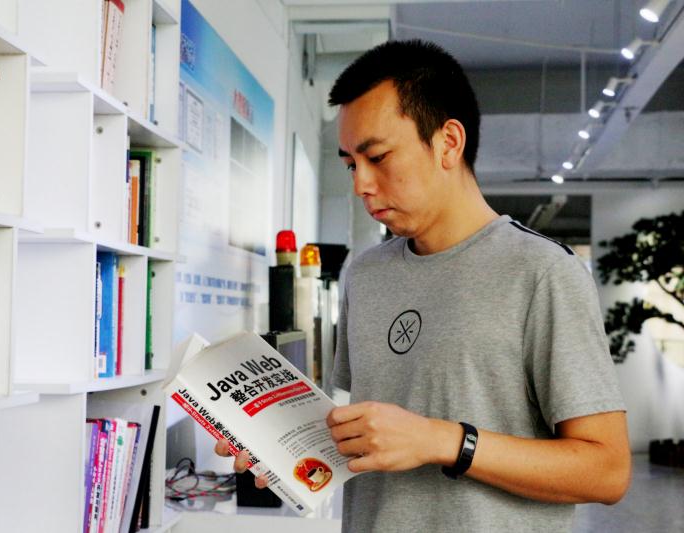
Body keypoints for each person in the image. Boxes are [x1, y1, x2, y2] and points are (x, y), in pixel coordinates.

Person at [217, 39, 630, 532]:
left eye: (378, 157)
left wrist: (444, 441)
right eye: (351, 164)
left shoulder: (543, 272)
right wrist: (279, 445)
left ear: (448, 142)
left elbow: (607, 471)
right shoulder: (366, 274)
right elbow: (370, 437)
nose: (361, 184)